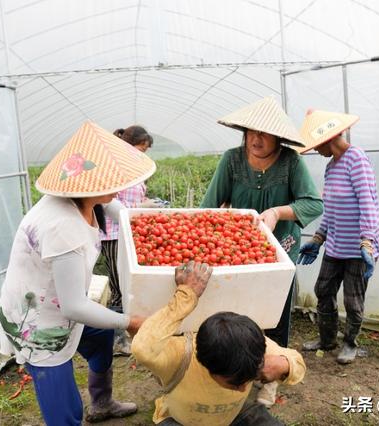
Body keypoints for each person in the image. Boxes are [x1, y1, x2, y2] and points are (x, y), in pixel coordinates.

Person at [0, 121, 156, 425]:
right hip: (40, 323)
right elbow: (74, 307)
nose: (119, 186)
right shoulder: (62, 226)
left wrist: (147, 224)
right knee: (64, 409)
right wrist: (129, 322)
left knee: (100, 337)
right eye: (112, 180)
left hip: (63, 302)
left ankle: (102, 403)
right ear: (90, 184)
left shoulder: (86, 199)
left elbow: (118, 211)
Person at [200, 96, 323, 406]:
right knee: (236, 311)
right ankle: (234, 371)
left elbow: (313, 203)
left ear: (277, 138)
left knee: (275, 313)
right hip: (238, 249)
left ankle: (270, 379)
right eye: (251, 133)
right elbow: (209, 206)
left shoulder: (291, 162)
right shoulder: (232, 160)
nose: (256, 139)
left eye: (264, 134)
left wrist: (278, 212)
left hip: (280, 249)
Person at [132, 261, 306, 426]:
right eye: (233, 383)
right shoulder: (179, 357)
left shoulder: (250, 345)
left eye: (249, 379)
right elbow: (142, 348)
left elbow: (298, 363)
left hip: (232, 417)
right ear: (205, 363)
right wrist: (186, 295)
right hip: (181, 420)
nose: (242, 390)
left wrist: (283, 364)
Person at [297, 109, 379, 364]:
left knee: (353, 300)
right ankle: (327, 340)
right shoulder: (331, 166)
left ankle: (351, 344)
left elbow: (368, 204)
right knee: (323, 289)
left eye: (316, 145)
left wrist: (367, 241)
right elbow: (331, 209)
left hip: (358, 249)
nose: (315, 150)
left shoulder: (356, 159)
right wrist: (318, 238)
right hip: (335, 246)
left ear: (328, 139)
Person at [101, 125, 158, 356]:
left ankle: (130, 332)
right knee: (118, 287)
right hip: (114, 235)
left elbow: (134, 198)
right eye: (140, 149)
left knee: (132, 286)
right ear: (127, 145)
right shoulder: (113, 169)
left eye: (145, 151)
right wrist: (139, 207)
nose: (142, 154)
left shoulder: (133, 168)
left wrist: (144, 204)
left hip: (130, 232)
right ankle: (117, 340)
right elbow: (107, 203)